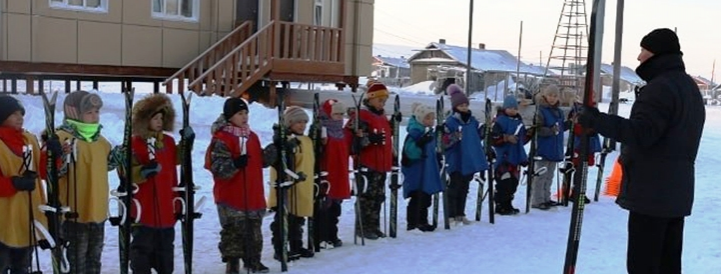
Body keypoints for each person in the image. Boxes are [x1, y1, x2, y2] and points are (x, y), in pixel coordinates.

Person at [578, 28, 705, 274]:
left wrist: (595, 120)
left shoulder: (660, 88)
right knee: (667, 264)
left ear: (656, 53)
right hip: (675, 191)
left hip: (652, 192)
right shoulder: (688, 87)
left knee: (644, 264)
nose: (638, 57)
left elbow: (641, 134)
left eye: (643, 50)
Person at [57, 90, 123, 274]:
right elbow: (53, 172)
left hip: (97, 211)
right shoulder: (62, 138)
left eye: (97, 112)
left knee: (94, 260)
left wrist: (118, 156)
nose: (94, 117)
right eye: (89, 112)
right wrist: (61, 155)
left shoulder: (101, 141)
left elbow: (106, 165)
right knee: (75, 262)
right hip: (74, 212)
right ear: (74, 113)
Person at [127, 94, 193, 274]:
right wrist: (143, 171)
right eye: (155, 118)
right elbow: (126, 172)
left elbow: (178, 158)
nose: (159, 122)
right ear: (144, 120)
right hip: (143, 209)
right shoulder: (134, 143)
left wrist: (187, 144)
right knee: (142, 250)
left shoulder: (168, 142)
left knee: (165, 251)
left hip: (165, 208)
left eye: (162, 118)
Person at [206, 98, 269, 273]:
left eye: (246, 113)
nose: (244, 117)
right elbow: (218, 169)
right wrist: (235, 164)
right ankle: (232, 263)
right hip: (231, 196)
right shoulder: (222, 138)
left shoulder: (252, 136)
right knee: (233, 233)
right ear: (230, 116)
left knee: (254, 232)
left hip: (253, 192)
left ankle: (253, 260)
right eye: (240, 114)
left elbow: (260, 160)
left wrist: (273, 152)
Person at [0, 95, 49, 273]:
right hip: (3, 221)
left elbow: (43, 171)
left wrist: (51, 154)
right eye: (14, 114)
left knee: (22, 267)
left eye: (21, 113)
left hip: (25, 217)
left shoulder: (29, 139)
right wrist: (15, 183)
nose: (20, 117)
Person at [344, 82, 399, 239]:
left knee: (378, 196)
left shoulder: (380, 116)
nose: (382, 104)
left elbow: (387, 136)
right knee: (366, 196)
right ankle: (362, 226)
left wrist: (393, 123)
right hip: (367, 163)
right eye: (380, 100)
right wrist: (369, 139)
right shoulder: (361, 116)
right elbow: (353, 142)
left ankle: (374, 225)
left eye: (384, 101)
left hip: (381, 163)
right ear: (371, 99)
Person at [268, 106, 315, 260]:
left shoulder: (306, 140)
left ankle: (296, 245)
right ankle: (280, 247)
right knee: (283, 219)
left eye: (304, 122)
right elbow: (280, 163)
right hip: (288, 186)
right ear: (289, 124)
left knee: (298, 218)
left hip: (303, 185)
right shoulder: (286, 141)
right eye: (298, 122)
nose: (302, 125)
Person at [442, 84, 489, 224]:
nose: (464, 107)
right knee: (454, 187)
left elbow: (477, 136)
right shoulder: (451, 121)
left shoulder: (472, 121)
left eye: (465, 105)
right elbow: (444, 141)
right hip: (456, 159)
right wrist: (455, 136)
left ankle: (460, 213)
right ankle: (450, 213)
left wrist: (484, 131)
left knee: (464, 188)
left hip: (468, 159)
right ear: (455, 106)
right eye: (461, 105)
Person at [312, 99, 352, 248]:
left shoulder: (341, 131)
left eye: (341, 114)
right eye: (336, 114)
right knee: (324, 207)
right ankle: (320, 236)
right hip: (327, 173)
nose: (340, 117)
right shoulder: (322, 131)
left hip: (339, 173)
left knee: (335, 207)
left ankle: (332, 234)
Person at [401, 102, 443, 231]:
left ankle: (423, 220)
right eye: (428, 118)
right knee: (417, 197)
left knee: (425, 198)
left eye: (432, 118)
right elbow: (410, 152)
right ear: (420, 119)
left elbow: (432, 148)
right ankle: (413, 222)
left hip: (426, 171)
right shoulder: (415, 133)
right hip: (417, 172)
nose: (431, 121)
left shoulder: (427, 132)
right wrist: (420, 145)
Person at [530, 84, 567, 210]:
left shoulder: (559, 112)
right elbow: (538, 130)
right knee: (541, 176)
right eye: (550, 95)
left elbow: (561, 128)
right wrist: (551, 130)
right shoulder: (540, 110)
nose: (552, 98)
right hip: (543, 148)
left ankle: (546, 197)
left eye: (555, 96)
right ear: (545, 96)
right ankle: (537, 200)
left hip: (554, 148)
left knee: (550, 176)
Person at [490, 95, 528, 215]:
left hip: (515, 158)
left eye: (515, 108)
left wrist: (530, 133)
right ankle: (500, 204)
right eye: (510, 108)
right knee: (504, 182)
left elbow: (522, 140)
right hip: (503, 158)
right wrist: (506, 138)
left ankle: (508, 204)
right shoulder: (499, 121)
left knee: (513, 183)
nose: (513, 110)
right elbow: (493, 139)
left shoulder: (519, 122)